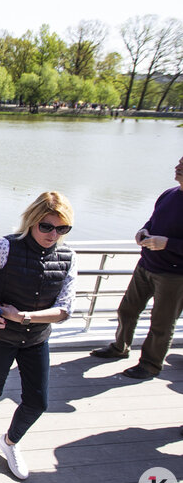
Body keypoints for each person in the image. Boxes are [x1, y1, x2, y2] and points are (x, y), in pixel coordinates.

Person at [0, 191, 76, 480]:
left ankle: (10, 441)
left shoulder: (68, 257)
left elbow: (65, 310)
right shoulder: (5, 247)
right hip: (0, 336)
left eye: (62, 228)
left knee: (38, 401)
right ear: (32, 221)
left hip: (36, 340)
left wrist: (24, 316)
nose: (53, 234)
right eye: (47, 226)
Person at [90, 157, 183, 379]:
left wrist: (168, 243)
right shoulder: (169, 194)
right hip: (146, 265)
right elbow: (153, 221)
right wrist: (143, 231)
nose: (177, 167)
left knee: (161, 323)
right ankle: (120, 347)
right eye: (179, 162)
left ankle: (150, 365)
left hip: (174, 276)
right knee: (127, 310)